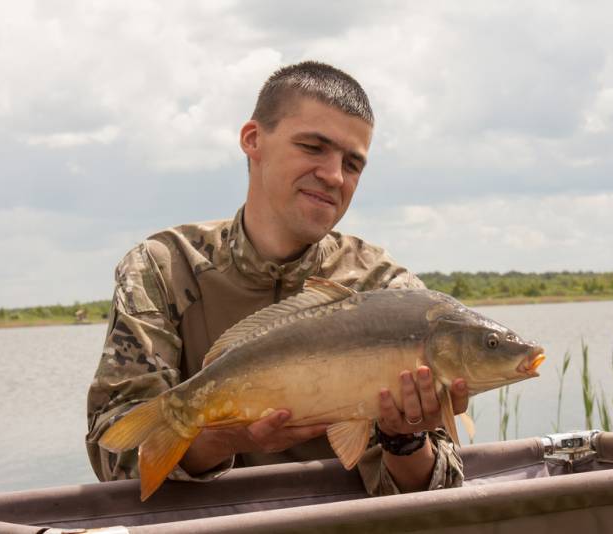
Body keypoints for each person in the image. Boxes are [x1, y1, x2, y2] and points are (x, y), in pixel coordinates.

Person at [86, 61, 468, 495]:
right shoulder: (163, 267)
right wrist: (229, 435)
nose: (334, 176)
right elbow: (115, 460)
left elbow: (442, 490)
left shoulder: (384, 288)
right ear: (253, 140)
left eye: (353, 164)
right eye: (312, 147)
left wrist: (406, 438)